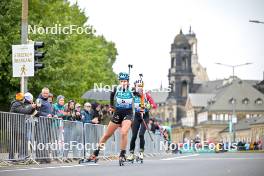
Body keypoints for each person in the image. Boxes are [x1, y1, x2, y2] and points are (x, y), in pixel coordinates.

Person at [87, 72, 136, 163]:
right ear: (119, 81)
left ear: (128, 82)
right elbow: (112, 96)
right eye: (122, 81)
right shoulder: (116, 88)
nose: (123, 83)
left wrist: (140, 100)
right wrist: (112, 106)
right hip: (117, 113)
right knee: (107, 135)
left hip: (128, 114)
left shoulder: (132, 89)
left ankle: (122, 154)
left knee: (124, 132)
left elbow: (140, 96)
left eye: (125, 81)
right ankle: (95, 154)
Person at [127, 79, 157, 161]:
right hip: (137, 116)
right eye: (138, 86)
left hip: (145, 117)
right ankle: (131, 153)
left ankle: (141, 152)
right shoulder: (133, 94)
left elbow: (154, 105)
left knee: (141, 134)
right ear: (135, 87)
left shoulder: (146, 95)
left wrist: (149, 105)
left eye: (141, 86)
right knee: (133, 136)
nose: (140, 88)